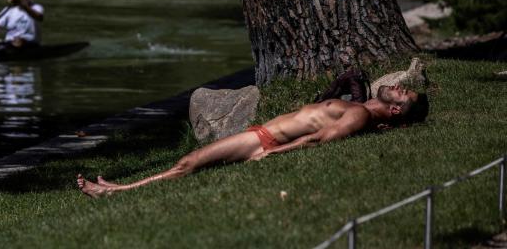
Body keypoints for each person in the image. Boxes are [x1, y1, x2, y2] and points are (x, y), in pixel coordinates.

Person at [77, 84, 429, 198]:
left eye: (403, 92)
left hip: (263, 140)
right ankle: (120, 189)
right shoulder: (361, 104)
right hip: (262, 135)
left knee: (190, 162)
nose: (397, 86)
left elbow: (321, 139)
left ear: (396, 111)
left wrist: (271, 153)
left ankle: (117, 191)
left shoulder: (361, 115)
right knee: (192, 161)